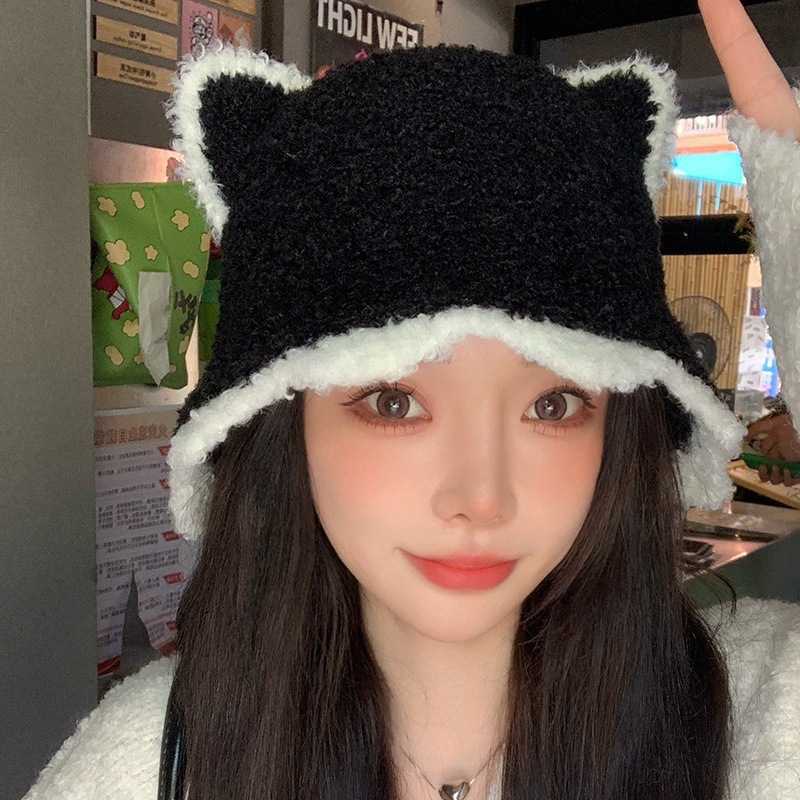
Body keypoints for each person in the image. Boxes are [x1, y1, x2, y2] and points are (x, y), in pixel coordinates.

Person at [24, 0, 800, 798]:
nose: (480, 498)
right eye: (394, 403)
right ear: (282, 419)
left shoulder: (758, 715)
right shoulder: (150, 762)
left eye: (553, 406)